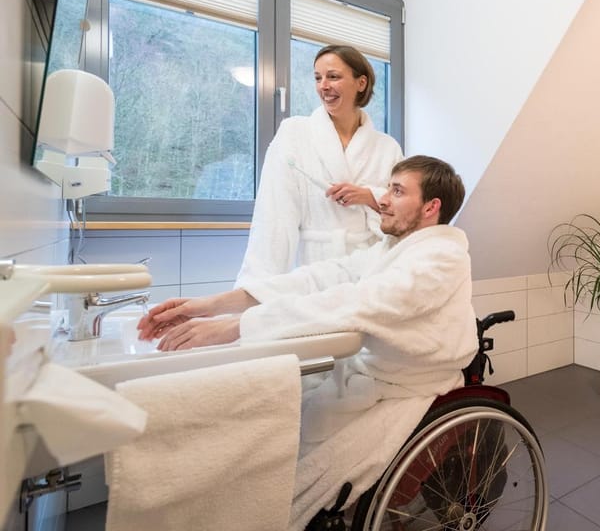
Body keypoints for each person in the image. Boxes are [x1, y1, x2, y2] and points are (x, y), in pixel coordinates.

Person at [138, 156, 475, 525]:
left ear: (430, 207)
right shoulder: (393, 249)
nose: (382, 199)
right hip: (367, 376)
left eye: (397, 191)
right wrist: (212, 305)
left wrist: (237, 327)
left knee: (288, 458)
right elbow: (321, 278)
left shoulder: (443, 258)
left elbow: (361, 300)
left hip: (408, 387)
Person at [235, 44, 403, 287]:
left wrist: (369, 196)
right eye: (317, 78)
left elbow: (405, 210)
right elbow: (274, 217)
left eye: (333, 76)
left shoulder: (387, 147)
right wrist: (258, 289)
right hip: (317, 269)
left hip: (371, 268)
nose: (323, 86)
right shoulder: (294, 133)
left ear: (361, 83)